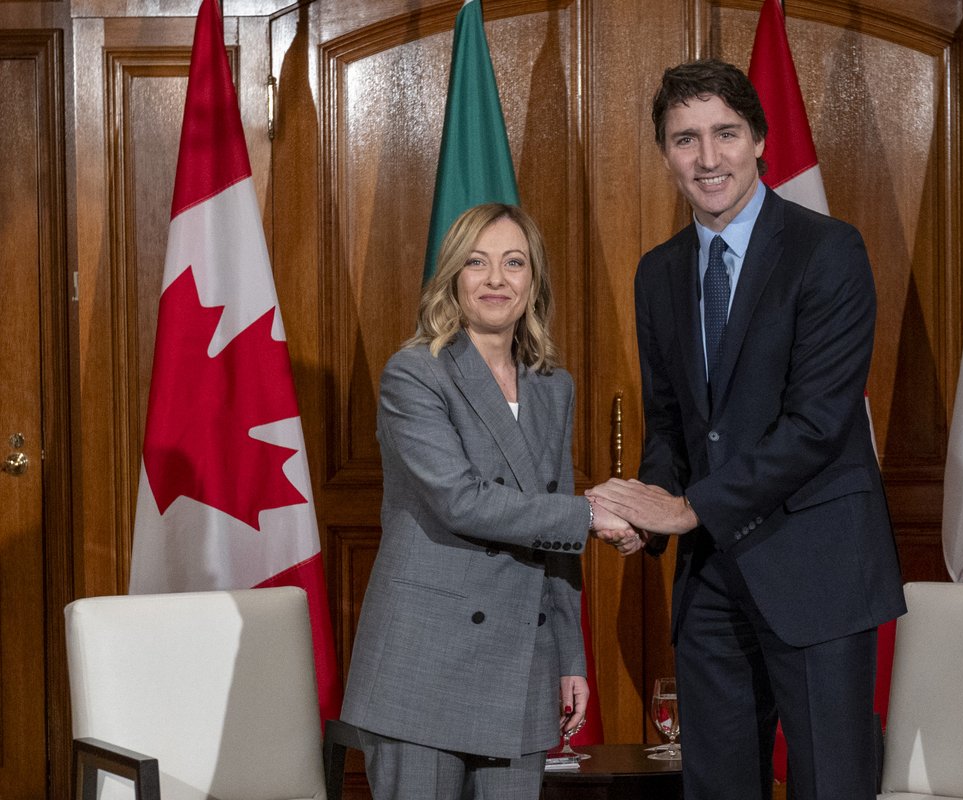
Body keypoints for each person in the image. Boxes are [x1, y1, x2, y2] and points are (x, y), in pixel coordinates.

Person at [587, 60, 906, 800]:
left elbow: (817, 424)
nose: (707, 158)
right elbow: (671, 420)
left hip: (817, 573)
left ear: (759, 139)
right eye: (685, 139)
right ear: (665, 153)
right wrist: (649, 510)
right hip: (708, 583)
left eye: (725, 134)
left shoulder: (828, 251)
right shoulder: (657, 272)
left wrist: (689, 507)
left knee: (831, 785)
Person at [341, 202, 635, 800]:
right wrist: (589, 514)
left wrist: (569, 656)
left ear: (534, 281)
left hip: (523, 662)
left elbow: (551, 531)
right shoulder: (415, 373)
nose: (496, 279)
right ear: (453, 275)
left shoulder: (554, 385)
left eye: (514, 263)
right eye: (477, 263)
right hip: (424, 662)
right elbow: (461, 500)